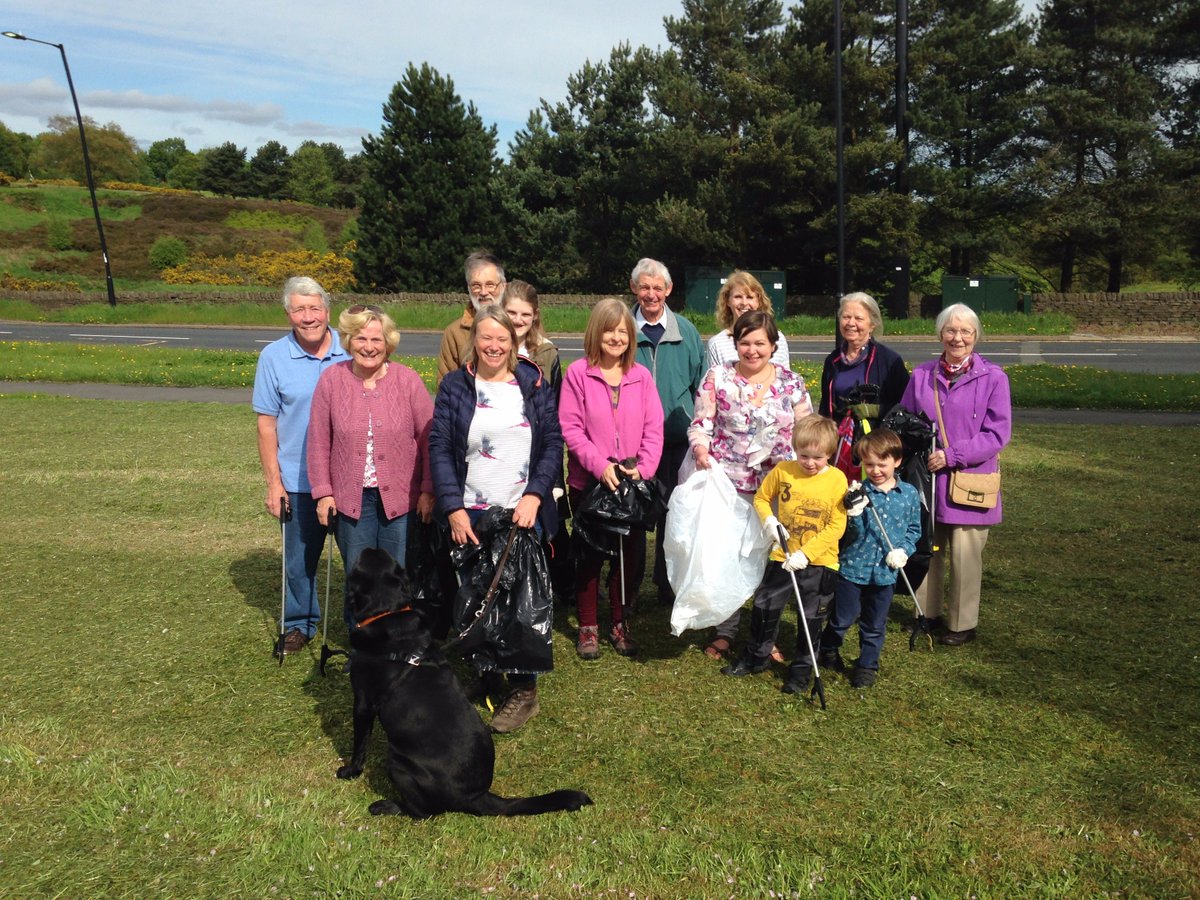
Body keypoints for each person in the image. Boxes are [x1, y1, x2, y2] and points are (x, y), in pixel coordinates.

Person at [429, 305, 563, 733]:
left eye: (501, 338)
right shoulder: (455, 386)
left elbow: (551, 444)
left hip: (521, 511)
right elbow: (439, 446)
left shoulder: (533, 384)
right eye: (486, 337)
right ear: (476, 341)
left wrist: (535, 496)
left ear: (513, 342)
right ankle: (485, 673)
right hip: (471, 511)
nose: (493, 345)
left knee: (521, 600)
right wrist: (452, 506)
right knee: (475, 596)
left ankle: (524, 690)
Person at [688, 310, 813, 661]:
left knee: (769, 561)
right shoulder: (718, 377)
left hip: (778, 488)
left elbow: (808, 434)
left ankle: (764, 633)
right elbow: (701, 424)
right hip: (730, 486)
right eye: (745, 342)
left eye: (760, 343)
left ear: (773, 345)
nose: (752, 350)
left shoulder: (792, 383)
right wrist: (700, 448)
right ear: (735, 343)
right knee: (729, 557)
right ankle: (726, 630)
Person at [307, 304, 435, 625]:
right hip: (351, 502)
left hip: (400, 501)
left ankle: (396, 645)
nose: (369, 347)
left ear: (388, 342)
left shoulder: (407, 380)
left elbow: (430, 438)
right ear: (348, 340)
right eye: (361, 338)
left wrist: (427, 490)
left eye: (376, 340)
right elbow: (319, 440)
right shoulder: (331, 381)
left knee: (395, 574)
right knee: (360, 576)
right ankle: (362, 647)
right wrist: (323, 493)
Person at [899, 302, 1011, 646]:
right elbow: (905, 420)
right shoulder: (921, 375)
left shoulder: (994, 378)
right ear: (940, 335)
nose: (957, 338)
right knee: (928, 548)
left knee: (966, 555)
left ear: (976, 336)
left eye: (965, 331)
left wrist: (951, 455)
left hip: (970, 482)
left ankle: (962, 624)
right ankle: (925, 614)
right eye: (950, 330)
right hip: (929, 482)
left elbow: (997, 434)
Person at [559, 298, 664, 659]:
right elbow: (571, 428)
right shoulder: (578, 373)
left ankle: (620, 623)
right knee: (589, 556)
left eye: (623, 331)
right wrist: (598, 464)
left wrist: (645, 467)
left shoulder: (641, 376)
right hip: (589, 481)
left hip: (630, 482)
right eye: (609, 330)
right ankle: (588, 627)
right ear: (596, 333)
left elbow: (654, 428)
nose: (616, 337)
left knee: (628, 555)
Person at [252, 276, 348, 654]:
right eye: (299, 309)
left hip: (350, 478)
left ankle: (364, 627)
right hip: (297, 479)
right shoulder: (273, 357)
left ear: (328, 310)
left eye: (315, 308)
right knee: (299, 561)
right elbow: (266, 424)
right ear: (288, 313)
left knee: (359, 560)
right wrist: (274, 483)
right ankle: (299, 623)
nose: (308, 317)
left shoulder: (353, 348)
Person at [724, 415, 847, 694]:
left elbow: (837, 525)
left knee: (811, 618)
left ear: (830, 453)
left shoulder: (837, 480)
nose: (810, 463)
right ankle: (756, 656)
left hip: (819, 561)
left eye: (818, 457)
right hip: (782, 555)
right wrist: (770, 522)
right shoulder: (784, 471)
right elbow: (762, 498)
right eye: (804, 455)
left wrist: (806, 554)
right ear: (795, 448)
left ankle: (801, 671)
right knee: (765, 606)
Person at [817, 429, 921, 688]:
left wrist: (904, 550)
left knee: (874, 624)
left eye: (881, 464)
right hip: (853, 569)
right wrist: (853, 515)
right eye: (869, 464)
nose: (875, 470)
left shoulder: (908, 494)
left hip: (885, 573)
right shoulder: (857, 492)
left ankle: (867, 665)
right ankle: (828, 648)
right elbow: (848, 535)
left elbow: (914, 529)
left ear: (896, 461)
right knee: (843, 618)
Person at [631, 257, 705, 605]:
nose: (651, 293)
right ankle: (627, 587)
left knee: (674, 514)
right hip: (635, 444)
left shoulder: (687, 332)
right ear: (634, 289)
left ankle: (666, 583)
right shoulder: (622, 330)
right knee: (634, 513)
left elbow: (700, 384)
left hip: (677, 440)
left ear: (669, 290)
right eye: (644, 287)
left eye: (657, 287)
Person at [819, 292, 910, 479]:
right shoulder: (833, 360)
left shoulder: (889, 361)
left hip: (876, 453)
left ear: (872, 323)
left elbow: (905, 408)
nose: (851, 323)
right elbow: (825, 407)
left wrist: (872, 411)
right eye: (846, 317)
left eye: (858, 318)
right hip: (838, 446)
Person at [436, 251, 507, 386]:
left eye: (490, 284)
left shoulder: (522, 323)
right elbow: (445, 386)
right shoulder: (454, 333)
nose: (484, 292)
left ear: (503, 286)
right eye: (476, 286)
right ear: (468, 288)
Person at [705, 270, 790, 371]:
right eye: (738, 297)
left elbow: (786, 379)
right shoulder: (717, 344)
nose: (744, 303)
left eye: (750, 297)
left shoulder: (778, 338)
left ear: (758, 301)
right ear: (727, 301)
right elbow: (714, 383)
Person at [503, 279, 561, 393]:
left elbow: (556, 401)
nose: (518, 320)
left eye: (525, 314)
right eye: (512, 313)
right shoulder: (489, 349)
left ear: (535, 315)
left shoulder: (548, 353)